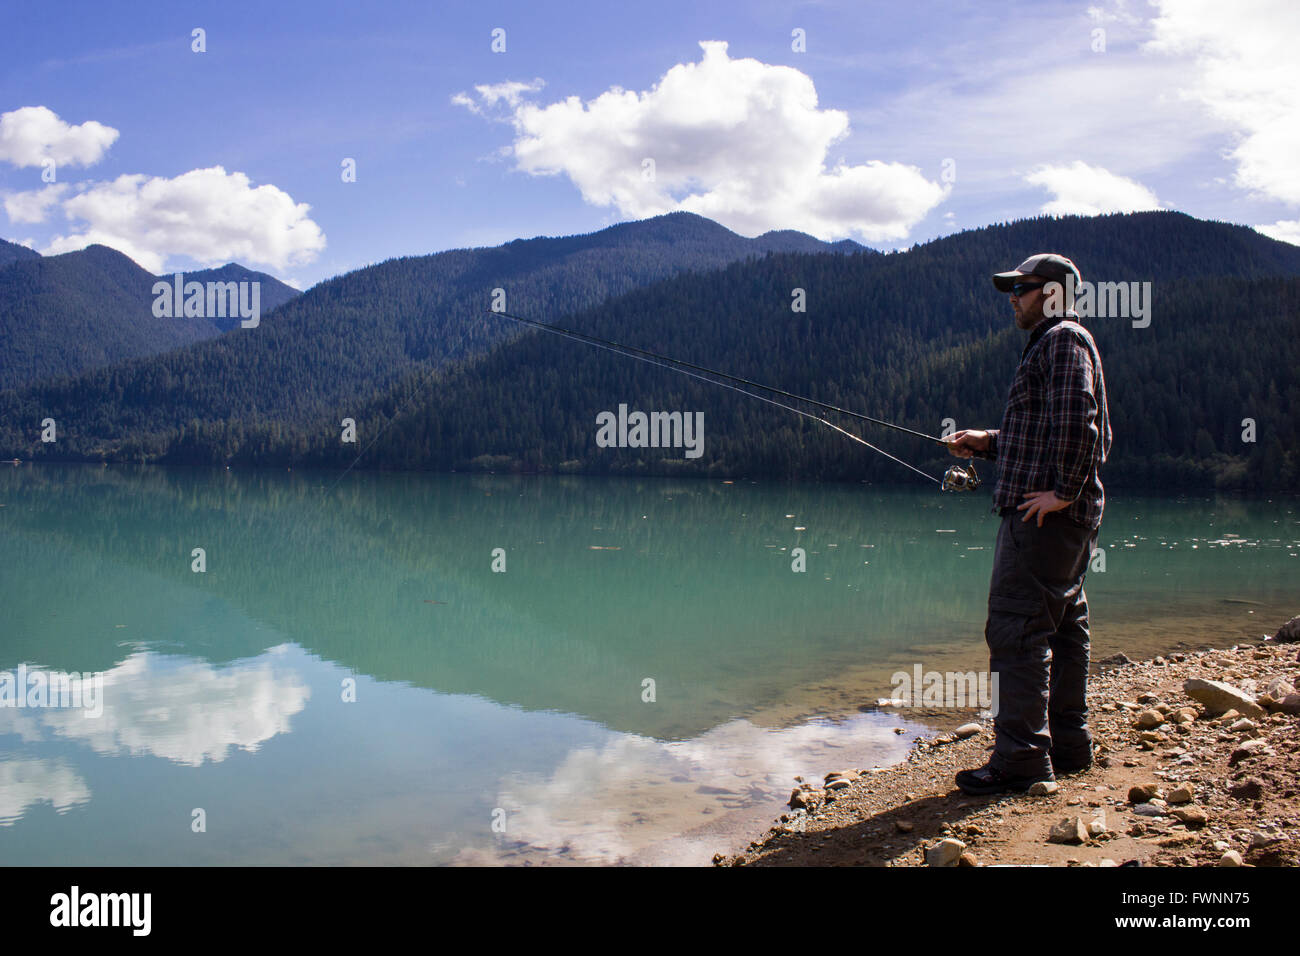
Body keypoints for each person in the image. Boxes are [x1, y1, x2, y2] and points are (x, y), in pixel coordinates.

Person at [945, 253, 1112, 796]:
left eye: (1022, 286)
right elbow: (1042, 430)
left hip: (1044, 520)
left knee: (1016, 630)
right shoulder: (1059, 342)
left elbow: (1078, 420)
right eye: (1011, 288)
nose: (1012, 296)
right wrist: (986, 442)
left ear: (1054, 292)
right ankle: (1068, 745)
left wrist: (1063, 491)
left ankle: (1019, 758)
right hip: (1062, 521)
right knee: (1063, 626)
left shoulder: (1062, 339)